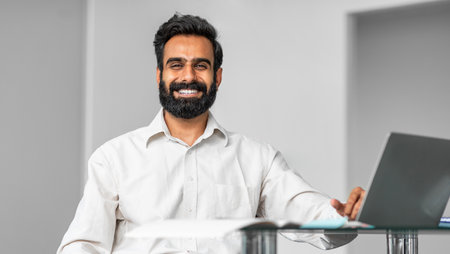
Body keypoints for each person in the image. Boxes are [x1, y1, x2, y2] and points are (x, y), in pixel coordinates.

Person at [57, 14, 365, 254]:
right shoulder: (113, 158)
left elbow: (310, 215)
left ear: (217, 76)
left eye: (200, 66)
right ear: (159, 76)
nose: (188, 76)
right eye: (176, 65)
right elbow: (82, 245)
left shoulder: (257, 158)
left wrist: (347, 216)